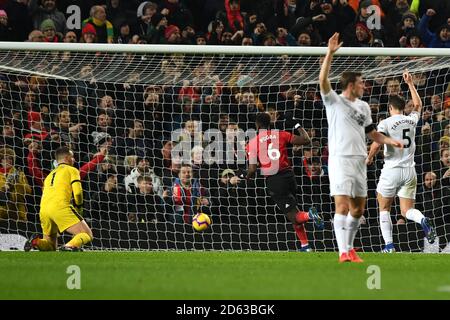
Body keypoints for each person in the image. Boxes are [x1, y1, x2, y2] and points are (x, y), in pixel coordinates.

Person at [319, 33, 404, 263]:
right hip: (339, 158)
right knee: (342, 205)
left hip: (359, 159)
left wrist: (390, 141)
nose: (364, 86)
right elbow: (323, 82)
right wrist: (330, 53)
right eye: (360, 83)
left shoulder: (365, 107)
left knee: (358, 210)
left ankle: (350, 248)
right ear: (350, 85)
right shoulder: (334, 100)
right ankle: (342, 252)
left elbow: (372, 133)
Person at [366, 70, 436, 253]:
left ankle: (389, 246)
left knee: (384, 206)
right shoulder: (411, 120)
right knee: (406, 211)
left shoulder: (386, 122)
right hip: (410, 171)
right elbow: (419, 104)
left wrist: (369, 157)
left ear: (390, 108)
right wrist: (411, 84)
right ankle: (422, 220)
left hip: (392, 169)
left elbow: (376, 143)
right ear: (404, 107)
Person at [245, 112, 323, 252]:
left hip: (275, 180)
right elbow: (306, 140)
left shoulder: (252, 143)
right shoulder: (280, 134)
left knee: (295, 215)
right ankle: (305, 245)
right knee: (293, 212)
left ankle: (310, 215)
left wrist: (247, 177)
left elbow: (252, 168)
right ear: (270, 123)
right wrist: (297, 124)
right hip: (289, 176)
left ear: (257, 125)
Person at [24, 146, 93, 251]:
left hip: (44, 210)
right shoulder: (72, 170)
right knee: (87, 234)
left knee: (51, 246)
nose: (74, 159)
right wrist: (79, 207)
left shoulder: (49, 175)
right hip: (60, 207)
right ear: (66, 158)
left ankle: (36, 241)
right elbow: (78, 193)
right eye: (72, 157)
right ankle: (69, 246)